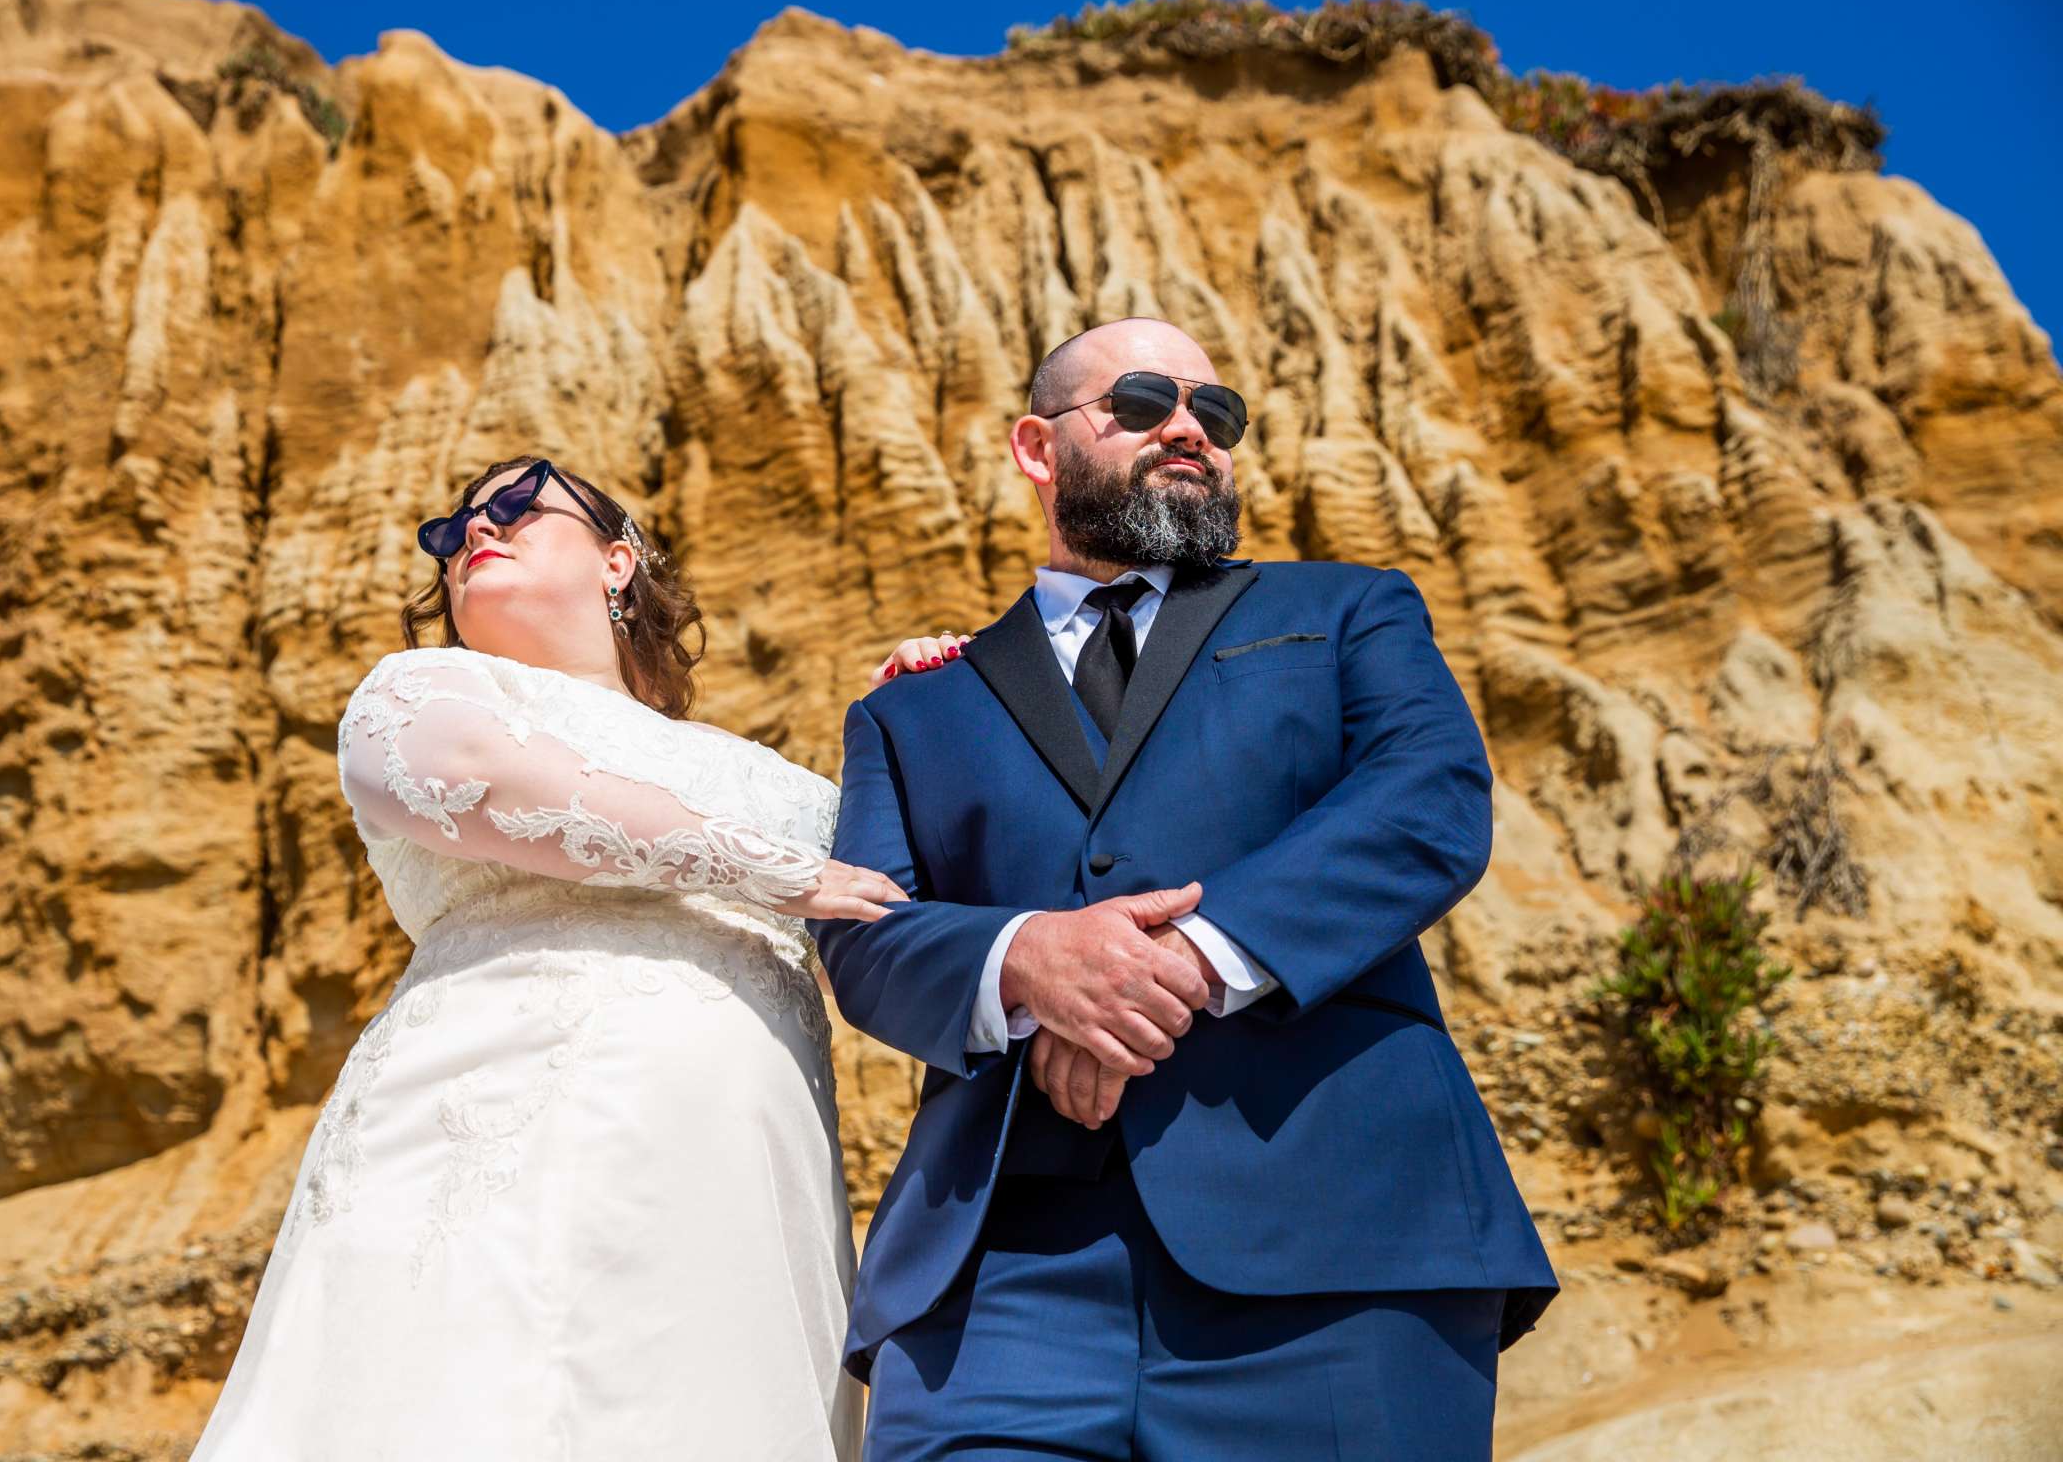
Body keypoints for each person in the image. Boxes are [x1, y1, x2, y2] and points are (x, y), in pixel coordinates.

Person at [818, 318, 1559, 1461]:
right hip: (994, 1297)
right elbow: (866, 931)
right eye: (1145, 400)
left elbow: (1428, 802)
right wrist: (1026, 962)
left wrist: (1179, 963)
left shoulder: (1350, 608)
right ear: (1035, 445)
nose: (1188, 430)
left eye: (1216, 416)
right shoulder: (911, 708)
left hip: (1339, 1261)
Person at [193, 454, 929, 1459]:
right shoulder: (426, 686)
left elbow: (899, 895)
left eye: (514, 505)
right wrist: (773, 870)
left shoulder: (768, 778)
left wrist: (929, 713)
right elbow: (483, 775)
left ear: (617, 560)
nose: (472, 532)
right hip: (496, 1129)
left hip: (737, 1180)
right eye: (451, 532)